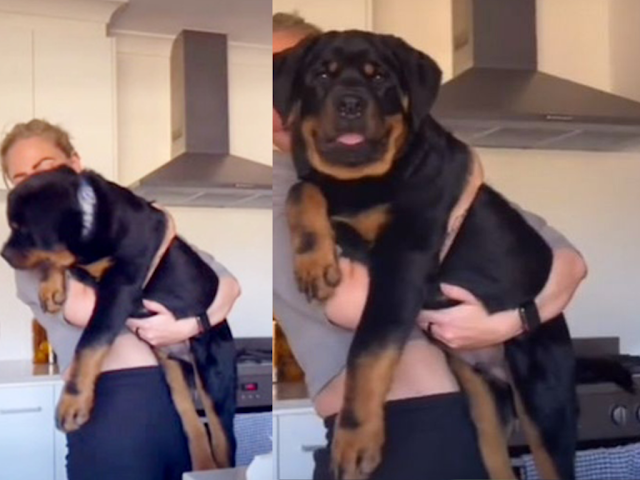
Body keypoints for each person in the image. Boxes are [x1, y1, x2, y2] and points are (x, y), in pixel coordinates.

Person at [272, 13, 589, 480]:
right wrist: (456, 202)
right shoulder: (283, 189)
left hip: (461, 418)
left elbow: (569, 263)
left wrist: (512, 320)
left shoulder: (425, 165)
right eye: (313, 77)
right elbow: (352, 302)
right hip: (397, 429)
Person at [0, 119, 242, 480]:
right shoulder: (35, 254)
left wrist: (192, 325)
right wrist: (159, 235)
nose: (34, 184)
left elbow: (228, 285)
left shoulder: (124, 218)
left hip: (180, 403)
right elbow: (88, 307)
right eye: (20, 178)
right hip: (113, 405)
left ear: (75, 166)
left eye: (44, 168)